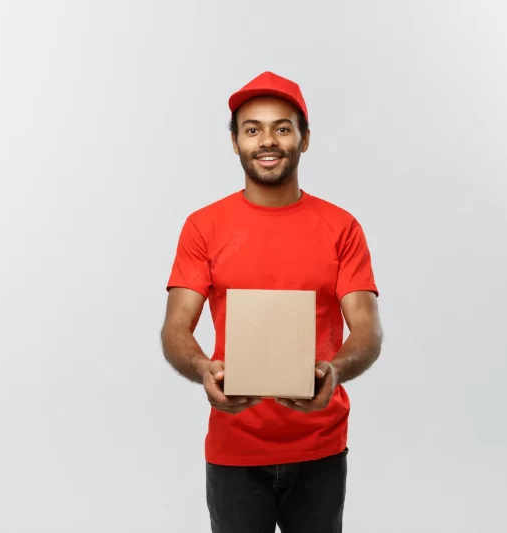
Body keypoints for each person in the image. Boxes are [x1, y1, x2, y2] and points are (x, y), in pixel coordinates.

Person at [160, 71, 383, 533]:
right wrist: (204, 369)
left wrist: (335, 371)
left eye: (283, 128)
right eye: (252, 128)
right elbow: (175, 328)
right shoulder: (204, 227)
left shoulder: (341, 228)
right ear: (235, 141)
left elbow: (366, 329)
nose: (268, 140)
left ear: (304, 141)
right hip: (234, 448)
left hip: (319, 445)